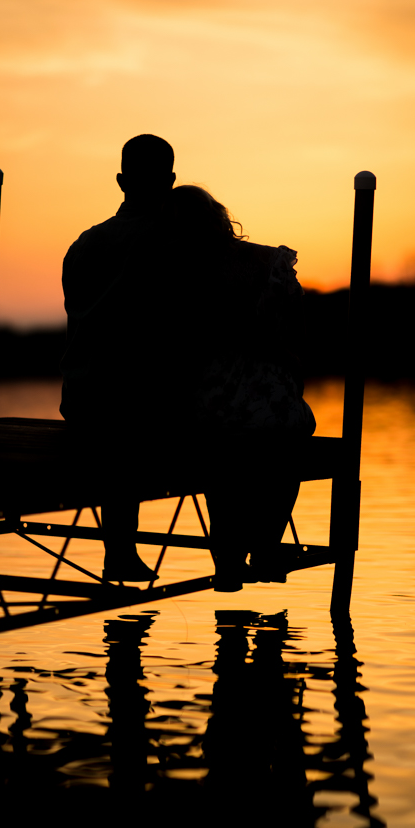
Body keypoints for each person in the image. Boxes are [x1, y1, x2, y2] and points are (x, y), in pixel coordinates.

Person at [166, 185, 316, 591]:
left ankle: (228, 560)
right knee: (288, 449)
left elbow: (175, 344)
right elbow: (298, 331)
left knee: (219, 467)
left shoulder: (177, 271)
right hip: (270, 394)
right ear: (219, 216)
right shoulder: (271, 262)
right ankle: (267, 544)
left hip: (211, 398)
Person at [60, 134, 177, 581]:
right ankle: (241, 550)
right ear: (169, 182)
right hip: (142, 405)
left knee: (119, 413)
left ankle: (119, 550)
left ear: (120, 181)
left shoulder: (84, 244)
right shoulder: (173, 243)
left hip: (82, 398)